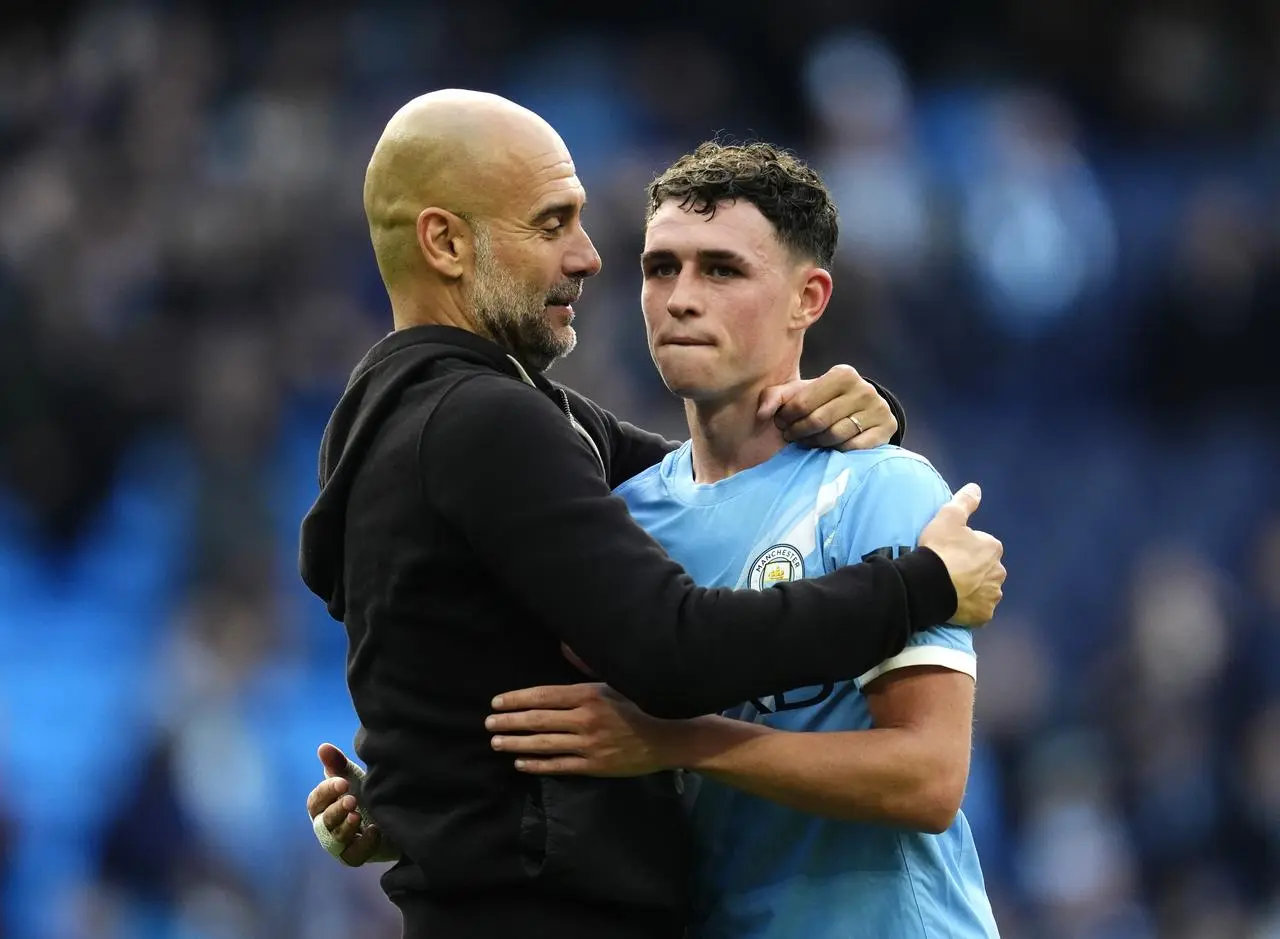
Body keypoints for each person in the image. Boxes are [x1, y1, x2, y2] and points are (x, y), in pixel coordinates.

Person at [299, 90, 1005, 939]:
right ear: (446, 243)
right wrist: (923, 583)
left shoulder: (859, 488)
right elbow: (669, 652)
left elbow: (929, 780)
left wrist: (413, 793)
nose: (593, 259)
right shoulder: (490, 423)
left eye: (721, 268)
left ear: (808, 298)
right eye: (659, 265)